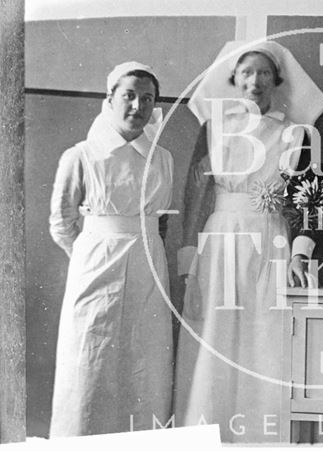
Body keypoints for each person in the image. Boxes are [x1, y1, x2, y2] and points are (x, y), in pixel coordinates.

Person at [174, 40, 323, 443]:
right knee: (214, 338)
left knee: (265, 340)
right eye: (246, 72)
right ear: (234, 80)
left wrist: (300, 255)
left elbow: (308, 199)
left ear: (277, 81)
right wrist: (188, 262)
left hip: (271, 240)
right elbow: (196, 196)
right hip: (220, 239)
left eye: (263, 73)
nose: (255, 81)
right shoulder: (214, 128)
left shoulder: (294, 134)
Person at [48, 62, 173, 436]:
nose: (138, 106)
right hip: (95, 270)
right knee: (91, 363)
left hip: (149, 271)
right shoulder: (81, 155)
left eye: (147, 99)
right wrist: (94, 254)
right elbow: (61, 222)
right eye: (129, 96)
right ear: (110, 98)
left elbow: (161, 220)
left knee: (144, 366)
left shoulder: (162, 158)